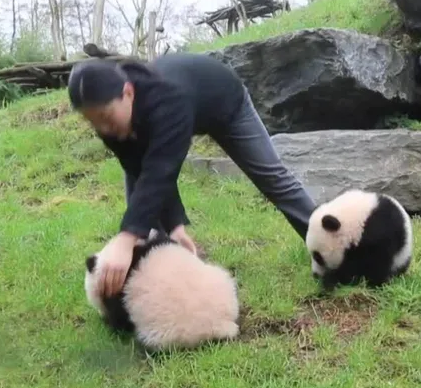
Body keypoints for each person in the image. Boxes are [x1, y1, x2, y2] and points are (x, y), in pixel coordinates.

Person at [67, 52, 317, 298]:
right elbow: (139, 167)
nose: (102, 129)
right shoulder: (110, 119)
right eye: (93, 122)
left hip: (226, 105)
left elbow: (161, 170)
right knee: (141, 199)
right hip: (177, 113)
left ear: (128, 93)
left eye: (106, 118)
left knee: (273, 178)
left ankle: (332, 246)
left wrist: (126, 236)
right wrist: (174, 226)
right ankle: (158, 285)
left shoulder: (167, 99)